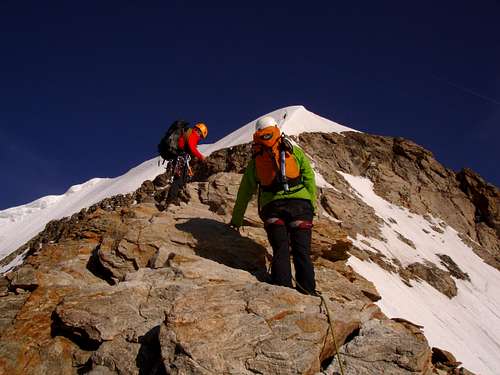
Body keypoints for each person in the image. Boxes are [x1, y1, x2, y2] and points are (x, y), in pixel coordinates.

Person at [230, 116, 317, 294]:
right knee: (302, 252)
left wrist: (236, 219)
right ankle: (308, 292)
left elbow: (245, 191)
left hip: (273, 209)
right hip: (300, 206)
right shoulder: (293, 150)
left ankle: (282, 289)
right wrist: (311, 204)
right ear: (276, 128)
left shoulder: (256, 158)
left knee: (280, 249)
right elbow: (309, 177)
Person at [165, 122, 208, 206]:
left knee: (181, 179)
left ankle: (173, 199)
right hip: (181, 158)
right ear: (199, 131)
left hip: (179, 158)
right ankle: (171, 200)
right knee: (178, 179)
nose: (200, 138)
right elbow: (192, 147)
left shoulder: (188, 133)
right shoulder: (193, 134)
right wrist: (201, 157)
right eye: (201, 136)